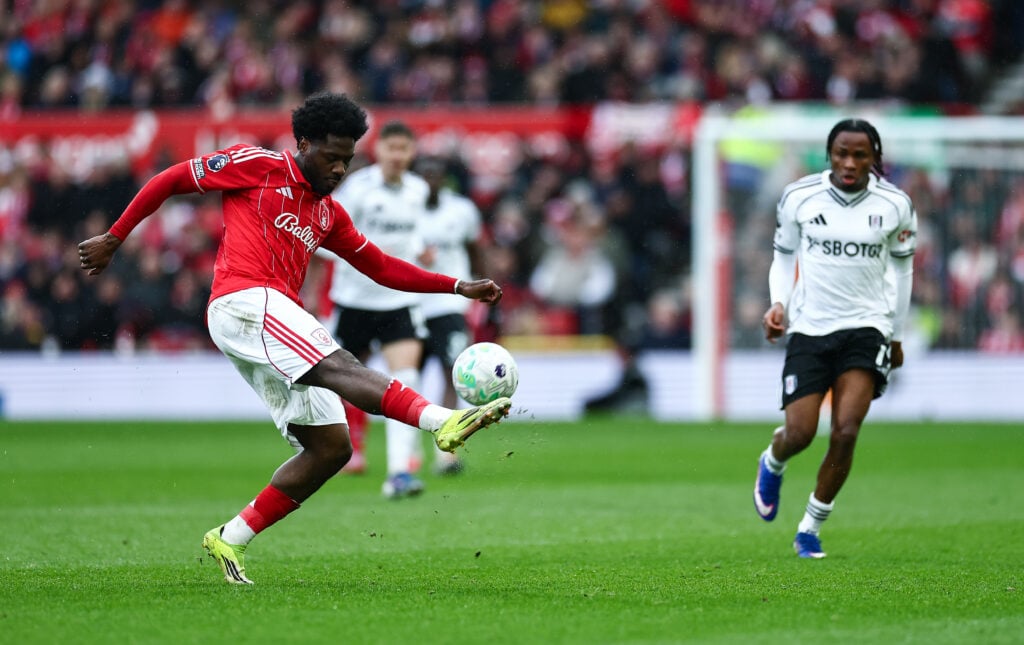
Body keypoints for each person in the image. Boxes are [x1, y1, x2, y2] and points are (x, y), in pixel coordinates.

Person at [77, 92, 512, 585]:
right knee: (339, 364)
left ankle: (231, 536)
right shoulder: (256, 165)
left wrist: (456, 285)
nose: (339, 169)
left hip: (267, 314)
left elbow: (382, 267)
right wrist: (115, 236)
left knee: (331, 448)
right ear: (303, 144)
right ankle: (443, 421)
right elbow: (171, 178)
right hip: (244, 299)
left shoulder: (329, 214)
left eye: (347, 160)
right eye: (331, 157)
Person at [753, 118, 916, 559]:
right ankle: (773, 460)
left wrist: (896, 335)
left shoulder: (896, 204)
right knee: (801, 433)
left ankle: (810, 528)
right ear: (829, 154)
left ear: (874, 158)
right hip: (810, 328)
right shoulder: (800, 196)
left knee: (845, 430)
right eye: (842, 153)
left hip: (867, 327)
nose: (849, 163)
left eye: (860, 155)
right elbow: (784, 256)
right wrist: (778, 304)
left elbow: (903, 270)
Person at [321, 120, 433, 498]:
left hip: (398, 301)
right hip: (354, 301)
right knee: (342, 384)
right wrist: (363, 255)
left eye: (404, 149)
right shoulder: (357, 189)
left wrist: (419, 251)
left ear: (412, 152)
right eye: (391, 148)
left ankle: (399, 472)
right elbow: (326, 236)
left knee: (406, 380)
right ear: (378, 150)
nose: (397, 155)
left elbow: (413, 235)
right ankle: (345, 449)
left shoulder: (418, 190)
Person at [414, 155, 486, 475]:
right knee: (408, 379)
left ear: (444, 179)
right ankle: (409, 453)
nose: (430, 181)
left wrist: (483, 288)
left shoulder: (462, 210)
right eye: (424, 174)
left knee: (452, 376)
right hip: (411, 304)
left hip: (450, 306)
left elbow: (475, 250)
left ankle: (445, 452)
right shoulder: (403, 211)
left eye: (435, 174)